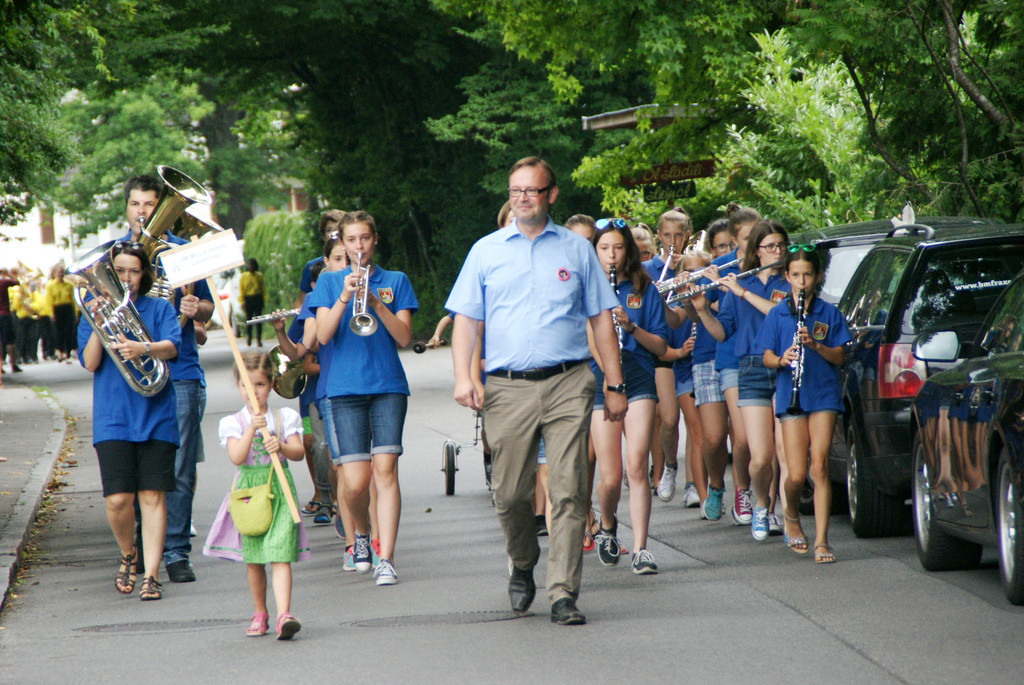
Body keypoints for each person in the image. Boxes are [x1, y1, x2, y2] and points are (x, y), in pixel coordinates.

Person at [446, 156, 627, 625]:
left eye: (531, 190)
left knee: (569, 490)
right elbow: (467, 319)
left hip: (569, 380)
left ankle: (563, 592)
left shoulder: (576, 250)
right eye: (515, 190)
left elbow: (600, 320)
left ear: (551, 195)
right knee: (509, 494)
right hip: (507, 388)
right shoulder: (485, 251)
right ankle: (523, 561)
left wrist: (614, 382)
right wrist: (464, 377)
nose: (522, 198)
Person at [311, 211, 417, 586]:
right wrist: (345, 295)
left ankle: (386, 557)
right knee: (355, 483)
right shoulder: (327, 284)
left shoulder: (396, 281)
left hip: (387, 386)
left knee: (385, 472)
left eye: (365, 239)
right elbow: (322, 336)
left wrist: (375, 302)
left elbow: (404, 337)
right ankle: (359, 533)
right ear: (342, 243)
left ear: (375, 240)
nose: (359, 247)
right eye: (351, 241)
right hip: (343, 390)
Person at [123, 174, 214, 584]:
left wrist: (197, 308)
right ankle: (144, 548)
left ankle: (176, 551)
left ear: (162, 208)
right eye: (136, 204)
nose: (142, 212)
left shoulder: (184, 252)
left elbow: (209, 308)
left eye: (150, 205)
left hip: (180, 372)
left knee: (178, 467)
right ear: (126, 208)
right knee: (138, 462)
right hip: (131, 372)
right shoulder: (117, 255)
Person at [78, 241, 181, 601]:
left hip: (156, 414)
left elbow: (172, 347)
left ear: (144, 274)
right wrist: (97, 321)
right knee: (118, 500)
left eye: (133, 271)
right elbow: (90, 363)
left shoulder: (158, 308)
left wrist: (144, 349)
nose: (126, 278)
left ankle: (151, 575)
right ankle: (128, 553)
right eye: (118, 271)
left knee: (153, 496)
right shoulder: (91, 311)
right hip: (114, 418)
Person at [202, 351, 310, 638]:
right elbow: (237, 456)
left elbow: (298, 452)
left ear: (272, 383)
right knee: (255, 557)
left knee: (280, 553)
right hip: (249, 495)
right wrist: (252, 426)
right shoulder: (233, 422)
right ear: (238, 386)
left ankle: (284, 613)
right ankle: (260, 611)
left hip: (279, 490)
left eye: (260, 385)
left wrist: (281, 446)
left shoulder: (285, 417)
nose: (254, 393)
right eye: (247, 386)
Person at [696, 220, 791, 541]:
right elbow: (723, 333)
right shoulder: (739, 287)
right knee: (759, 454)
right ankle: (760, 502)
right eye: (769, 247)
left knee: (781, 450)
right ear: (756, 251)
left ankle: (772, 511)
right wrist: (701, 310)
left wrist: (741, 292)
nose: (776, 252)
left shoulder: (789, 281)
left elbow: (782, 313)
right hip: (750, 367)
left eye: (780, 246)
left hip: (783, 366)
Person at [758, 245, 849, 563]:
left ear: (817, 276)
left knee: (819, 465)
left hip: (823, 394)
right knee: (796, 474)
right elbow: (766, 355)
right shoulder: (778, 313)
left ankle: (822, 541)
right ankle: (791, 515)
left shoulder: (828, 313)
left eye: (807, 275)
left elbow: (839, 355)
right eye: (795, 275)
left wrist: (817, 345)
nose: (801, 281)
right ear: (787, 277)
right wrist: (782, 359)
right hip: (790, 396)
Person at [589, 218, 668, 574]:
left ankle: (640, 548)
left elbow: (662, 345)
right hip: (600, 379)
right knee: (610, 475)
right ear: (594, 251)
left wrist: (631, 326)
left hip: (639, 375)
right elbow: (587, 341)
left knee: (636, 466)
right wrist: (609, 376)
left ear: (628, 251)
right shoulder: (586, 289)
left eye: (618, 248)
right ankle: (607, 524)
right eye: (604, 248)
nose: (612, 255)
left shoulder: (643, 287)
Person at [293, 209, 346, 311]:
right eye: (329, 230)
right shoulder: (312, 266)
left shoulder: (356, 262)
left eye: (338, 230)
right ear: (323, 235)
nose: (333, 234)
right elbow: (300, 302)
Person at [47, 263, 76, 362]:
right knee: (58, 331)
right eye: (59, 273)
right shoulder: (50, 285)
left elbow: (72, 300)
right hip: (57, 308)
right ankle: (59, 351)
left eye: (62, 273)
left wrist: (75, 313)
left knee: (68, 330)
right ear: (55, 273)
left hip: (67, 308)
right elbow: (49, 300)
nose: (60, 274)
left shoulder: (69, 285)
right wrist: (51, 312)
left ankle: (67, 353)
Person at [240, 258, 267, 347]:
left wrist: (263, 300)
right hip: (248, 299)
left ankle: (259, 339)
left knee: (259, 319)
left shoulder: (259, 276)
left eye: (252, 265)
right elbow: (242, 289)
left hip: (257, 298)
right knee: (249, 320)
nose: (250, 266)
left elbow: (263, 288)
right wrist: (242, 301)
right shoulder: (244, 276)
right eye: (249, 265)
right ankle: (249, 337)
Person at [0, 267, 21, 376]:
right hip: (5, 314)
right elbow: (17, 282)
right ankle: (13, 364)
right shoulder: (3, 282)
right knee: (10, 341)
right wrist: (8, 274)